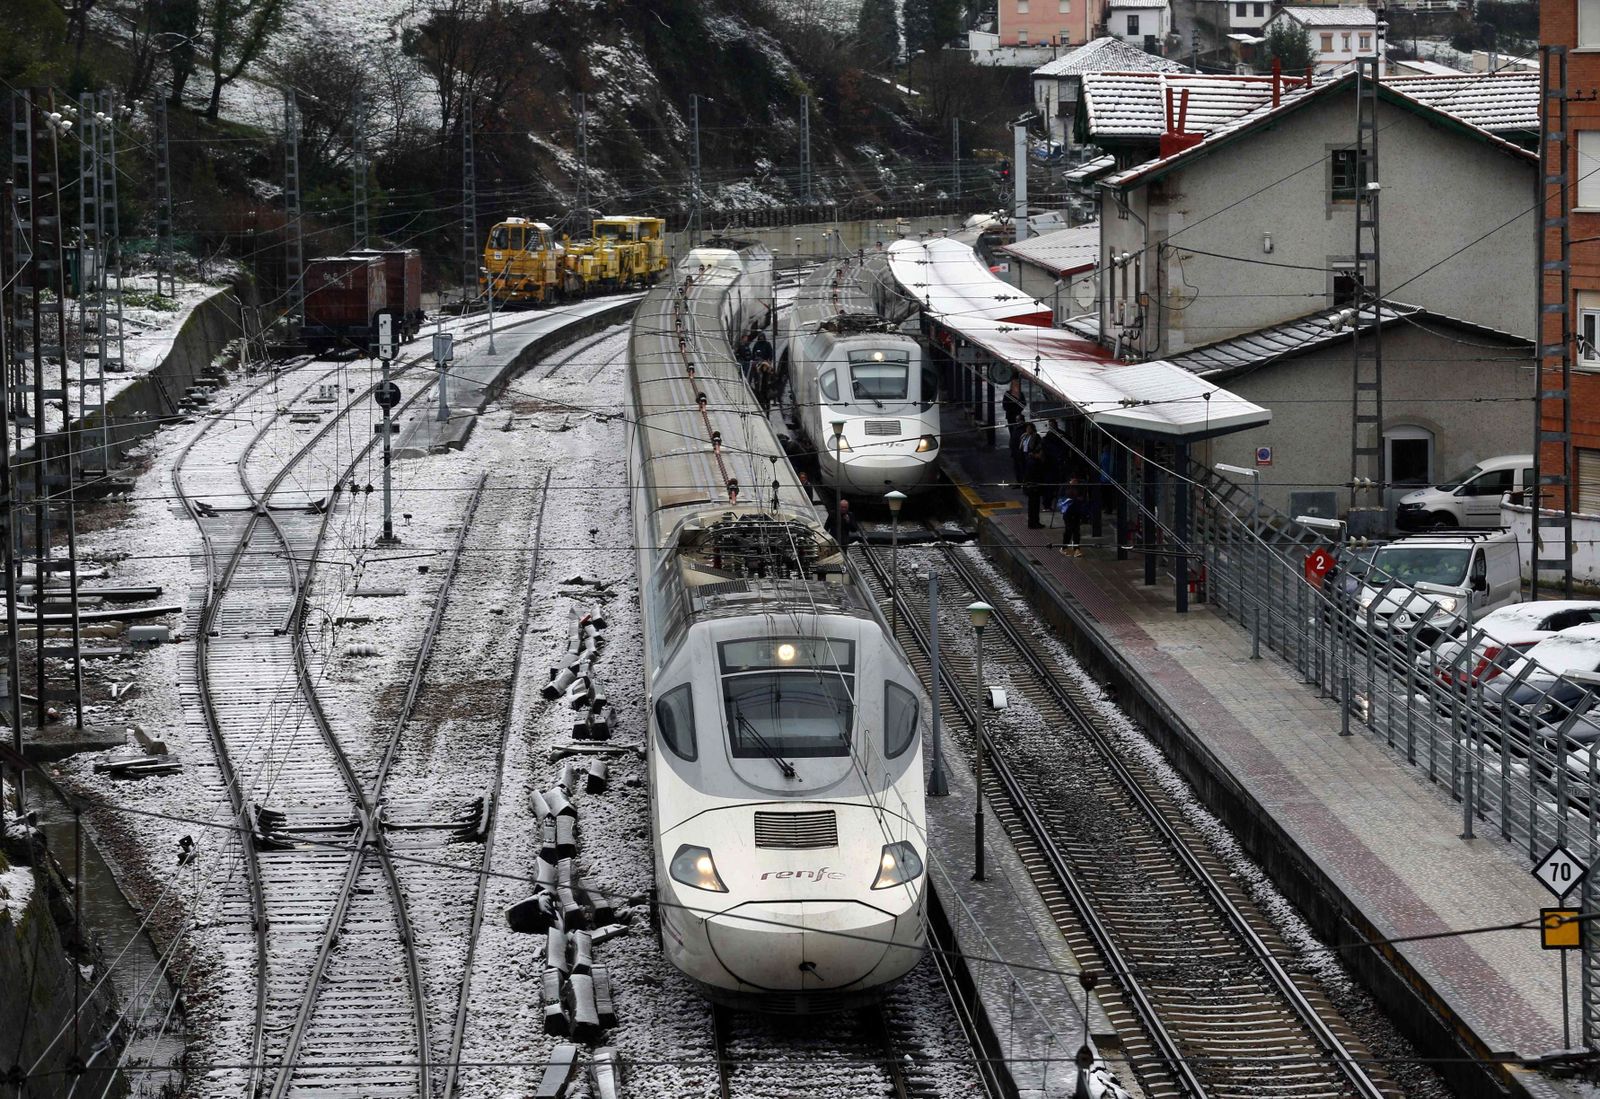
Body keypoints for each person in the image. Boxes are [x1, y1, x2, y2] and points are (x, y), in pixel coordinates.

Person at [1042, 420, 1071, 521]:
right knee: (1055, 486)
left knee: (1055, 486)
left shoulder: (1050, 438)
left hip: (1054, 466)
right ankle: (1053, 504)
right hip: (1054, 466)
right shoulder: (1052, 437)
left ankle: (1052, 504)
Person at [1020, 423, 1046, 528]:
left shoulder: (1029, 462)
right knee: (1034, 506)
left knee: (1033, 506)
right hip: (1033, 488)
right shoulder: (1034, 463)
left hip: (1031, 487)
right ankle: (1034, 523)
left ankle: (1033, 522)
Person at [1003, 378, 1026, 482]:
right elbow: (1004, 405)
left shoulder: (1020, 394)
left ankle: (1016, 448)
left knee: (1017, 433)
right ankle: (1014, 449)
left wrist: (1017, 409)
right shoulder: (1007, 394)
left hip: (1016, 415)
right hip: (1011, 416)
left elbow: (1023, 403)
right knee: (1012, 433)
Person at [1058, 477, 1086, 557]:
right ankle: (1064, 547)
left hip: (1076, 511)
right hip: (1068, 512)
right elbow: (1061, 499)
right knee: (1069, 529)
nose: (1075, 482)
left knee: (1076, 530)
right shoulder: (1065, 486)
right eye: (1074, 481)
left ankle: (1076, 549)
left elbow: (1083, 498)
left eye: (1076, 481)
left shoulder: (1080, 487)